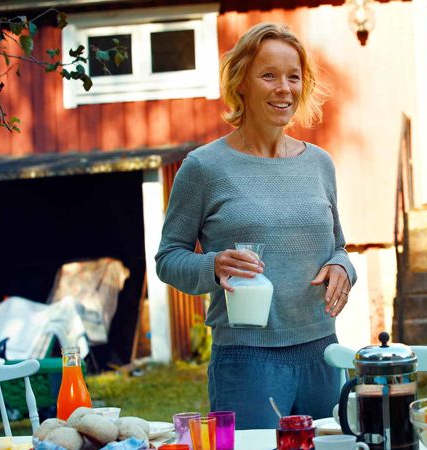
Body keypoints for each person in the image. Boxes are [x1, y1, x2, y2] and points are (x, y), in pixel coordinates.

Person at [155, 23, 356, 429]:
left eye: (293, 76)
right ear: (241, 83)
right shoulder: (204, 167)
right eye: (269, 75)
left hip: (324, 353)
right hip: (247, 359)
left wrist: (342, 269)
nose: (284, 88)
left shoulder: (319, 163)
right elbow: (168, 258)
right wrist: (212, 266)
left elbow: (339, 247)